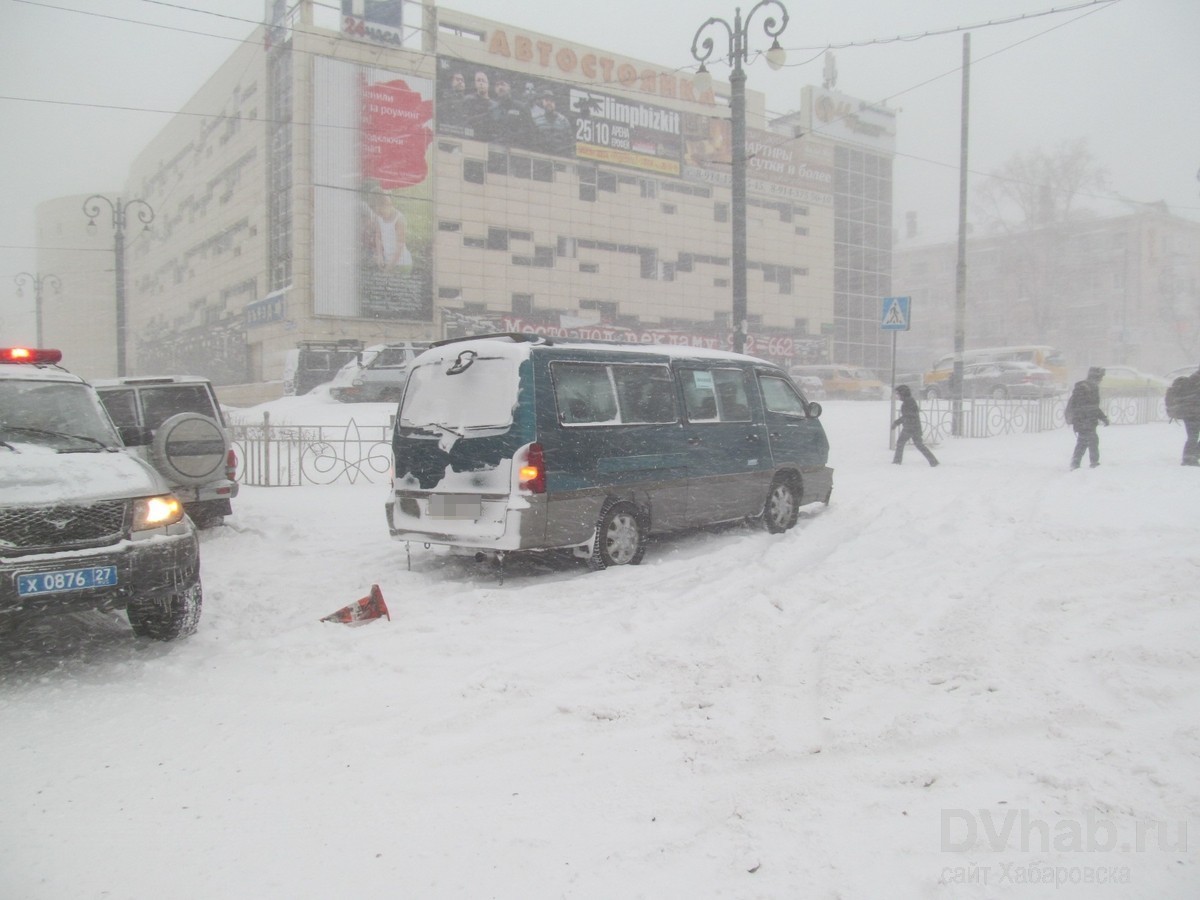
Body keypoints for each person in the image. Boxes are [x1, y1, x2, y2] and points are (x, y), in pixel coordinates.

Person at [1065, 366, 1108, 469]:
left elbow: (1090, 406)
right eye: (1101, 377)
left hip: (1081, 419)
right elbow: (1094, 407)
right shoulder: (1092, 388)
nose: (1101, 380)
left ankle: (1075, 463)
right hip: (1087, 420)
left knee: (1083, 442)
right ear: (1096, 377)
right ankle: (1094, 463)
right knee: (1092, 441)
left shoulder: (1083, 387)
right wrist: (1103, 418)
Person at [891, 384, 939, 467]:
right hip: (914, 427)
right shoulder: (909, 401)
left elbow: (907, 416)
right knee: (919, 445)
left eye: (898, 394)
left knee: (900, 443)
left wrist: (896, 423)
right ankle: (933, 461)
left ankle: (897, 461)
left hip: (910, 427)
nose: (897, 396)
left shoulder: (908, 402)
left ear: (903, 394)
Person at [1167, 365, 1200, 466]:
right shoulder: (1196, 381)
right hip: (1195, 413)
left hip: (1188, 412)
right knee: (1193, 437)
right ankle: (1190, 458)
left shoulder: (1192, 379)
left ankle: (1190, 456)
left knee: (1192, 436)